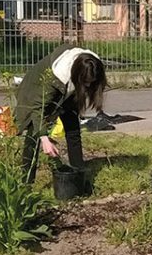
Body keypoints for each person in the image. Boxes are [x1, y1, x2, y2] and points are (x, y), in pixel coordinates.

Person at [15, 44, 107, 183]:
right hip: (38, 92)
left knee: (72, 127)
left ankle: (78, 174)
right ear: (76, 75)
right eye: (86, 83)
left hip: (68, 90)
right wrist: (45, 139)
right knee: (34, 134)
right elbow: (37, 109)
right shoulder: (56, 75)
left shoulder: (92, 65)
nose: (88, 86)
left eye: (91, 83)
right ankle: (26, 181)